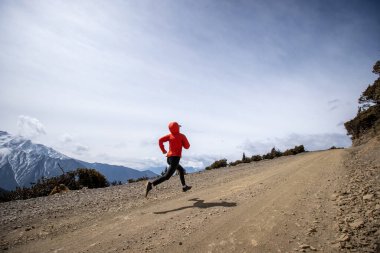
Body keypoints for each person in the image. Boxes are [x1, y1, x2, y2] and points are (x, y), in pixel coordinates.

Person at [145, 122, 192, 197]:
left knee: (181, 170)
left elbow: (160, 140)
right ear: (177, 128)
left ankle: (184, 186)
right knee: (167, 176)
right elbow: (187, 146)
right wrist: (182, 143)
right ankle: (151, 184)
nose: (179, 128)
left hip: (169, 158)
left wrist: (163, 150)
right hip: (175, 158)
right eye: (178, 127)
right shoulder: (182, 136)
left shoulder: (170, 136)